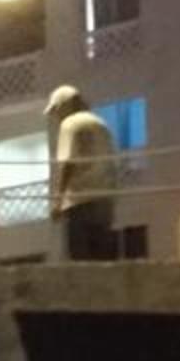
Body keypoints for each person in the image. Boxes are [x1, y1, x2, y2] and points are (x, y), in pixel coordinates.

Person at [47, 86, 120, 262]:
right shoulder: (101, 124)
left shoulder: (69, 124)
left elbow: (68, 163)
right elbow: (113, 164)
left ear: (64, 106)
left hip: (78, 203)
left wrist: (58, 201)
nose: (56, 117)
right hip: (104, 201)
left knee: (80, 261)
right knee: (102, 259)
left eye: (56, 110)